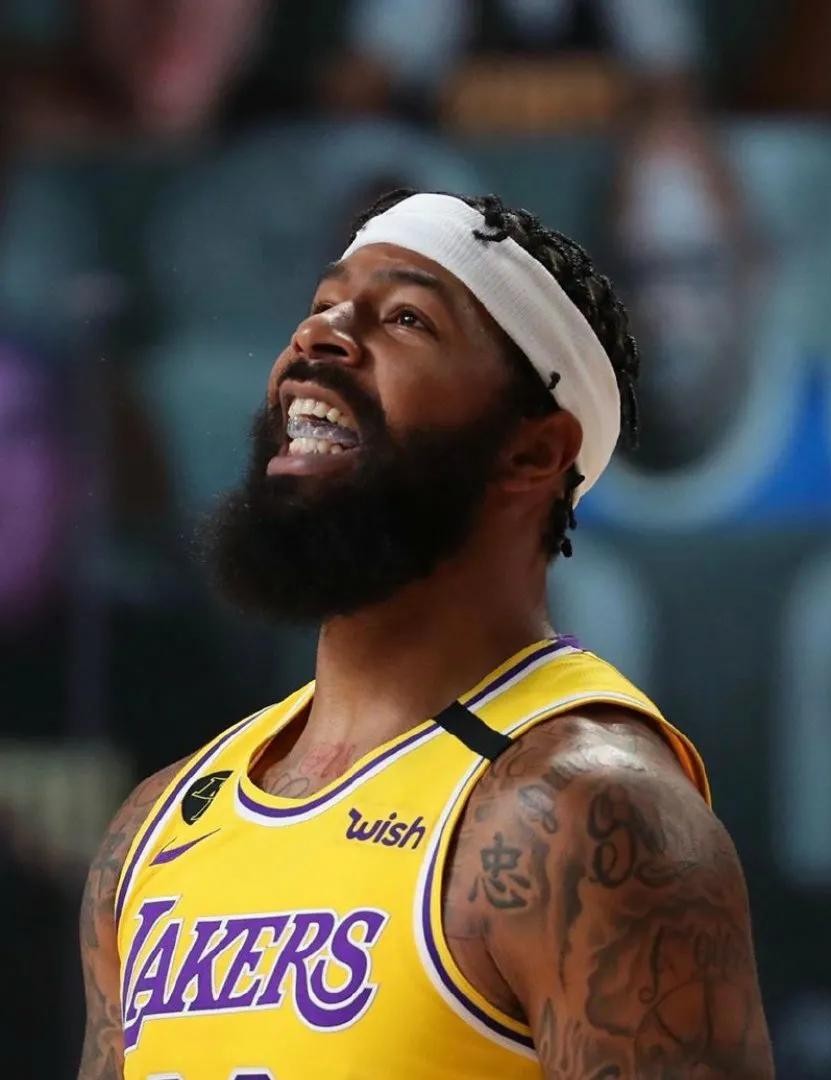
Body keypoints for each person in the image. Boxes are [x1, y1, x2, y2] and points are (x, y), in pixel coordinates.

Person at [78, 190, 774, 1078]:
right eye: (323, 303)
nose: (320, 335)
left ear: (532, 452)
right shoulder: (154, 826)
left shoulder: (583, 811)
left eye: (406, 318)